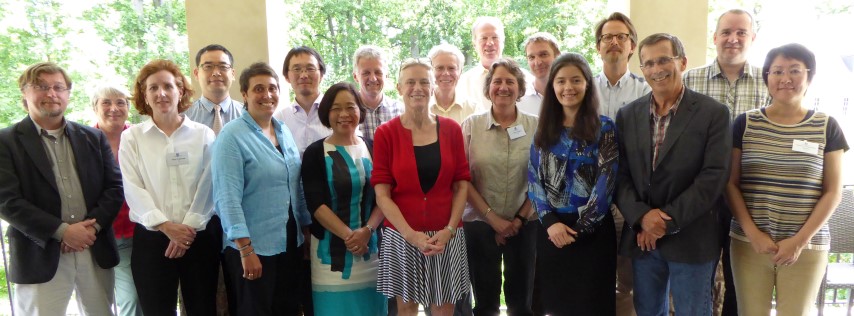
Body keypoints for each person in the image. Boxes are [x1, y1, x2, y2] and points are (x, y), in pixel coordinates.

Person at [725, 43, 848, 316]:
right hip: (749, 244)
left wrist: (799, 241)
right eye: (777, 71)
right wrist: (753, 234)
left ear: (809, 76)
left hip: (807, 246)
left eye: (795, 70)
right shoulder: (745, 124)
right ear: (767, 76)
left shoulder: (827, 126)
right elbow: (730, 184)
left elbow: (833, 192)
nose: (785, 79)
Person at [616, 33, 731, 316]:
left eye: (664, 60)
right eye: (649, 63)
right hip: (644, 239)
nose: (657, 69)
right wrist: (643, 217)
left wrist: (664, 222)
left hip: (691, 238)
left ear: (682, 62)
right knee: (647, 311)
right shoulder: (627, 115)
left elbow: (713, 177)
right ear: (642, 70)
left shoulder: (714, 113)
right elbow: (619, 175)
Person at [0, 62, 122, 315]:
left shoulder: (93, 137)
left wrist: (91, 229)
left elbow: (114, 189)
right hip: (39, 252)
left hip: (93, 249)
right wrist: (62, 231)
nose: (51, 94)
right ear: (25, 93)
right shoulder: (6, 141)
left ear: (68, 93)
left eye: (58, 87)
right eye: (41, 87)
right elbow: (7, 200)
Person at [683, 10, 770, 315]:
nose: (733, 39)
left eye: (741, 32)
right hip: (701, 196)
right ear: (715, 37)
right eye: (726, 32)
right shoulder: (689, 80)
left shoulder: (770, 81)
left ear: (752, 38)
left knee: (740, 278)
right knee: (698, 273)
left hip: (751, 196)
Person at [372, 58, 471, 316]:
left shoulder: (451, 129)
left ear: (432, 87)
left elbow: (462, 185)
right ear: (399, 87)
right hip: (402, 235)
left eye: (424, 82)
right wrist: (411, 235)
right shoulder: (386, 133)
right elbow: (382, 195)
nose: (418, 88)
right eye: (411, 82)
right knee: (406, 309)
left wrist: (449, 229)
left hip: (445, 236)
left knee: (443, 308)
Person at [212, 62, 311, 316]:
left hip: (289, 241)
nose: (267, 95)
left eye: (272, 88)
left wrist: (306, 233)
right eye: (258, 89)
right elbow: (227, 199)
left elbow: (295, 186)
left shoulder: (283, 130)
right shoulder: (232, 136)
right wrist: (246, 249)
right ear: (244, 94)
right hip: (253, 247)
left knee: (287, 309)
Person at [120, 59, 218, 315]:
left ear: (181, 91)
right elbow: (133, 187)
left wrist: (187, 230)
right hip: (152, 240)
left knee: (202, 309)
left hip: (197, 237)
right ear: (145, 94)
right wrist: (165, 226)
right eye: (153, 88)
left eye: (168, 86)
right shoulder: (132, 138)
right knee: (156, 310)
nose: (161, 93)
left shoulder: (203, 134)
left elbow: (209, 185)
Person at [527, 53, 618, 315]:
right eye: (561, 81)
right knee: (556, 305)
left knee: (593, 306)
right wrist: (551, 223)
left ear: (587, 84)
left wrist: (579, 228)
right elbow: (534, 180)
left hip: (593, 235)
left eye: (576, 80)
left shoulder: (605, 128)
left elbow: (606, 181)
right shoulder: (543, 129)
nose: (568, 88)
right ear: (552, 86)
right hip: (551, 232)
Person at [301, 82, 388, 316]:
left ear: (360, 110)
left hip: (371, 251)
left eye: (350, 107)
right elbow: (316, 204)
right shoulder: (315, 152)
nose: (343, 114)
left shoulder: (373, 147)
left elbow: (384, 196)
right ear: (326, 113)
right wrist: (350, 236)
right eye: (336, 108)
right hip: (330, 256)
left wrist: (367, 231)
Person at [462, 58, 538, 316]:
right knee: (485, 303)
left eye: (510, 81)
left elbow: (542, 179)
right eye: (497, 81)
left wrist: (517, 220)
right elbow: (462, 179)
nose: (503, 87)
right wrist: (492, 218)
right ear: (488, 88)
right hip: (479, 225)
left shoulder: (535, 126)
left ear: (520, 88)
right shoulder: (471, 126)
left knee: (522, 303)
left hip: (526, 224)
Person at [592, 12, 650, 316]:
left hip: (630, 196)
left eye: (621, 36)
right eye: (607, 37)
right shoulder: (582, 89)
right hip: (589, 197)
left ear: (632, 46)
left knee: (628, 277)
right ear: (598, 47)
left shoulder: (646, 91)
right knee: (593, 276)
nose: (614, 42)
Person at [185, 43, 243, 315]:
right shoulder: (183, 118)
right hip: (199, 219)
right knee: (201, 293)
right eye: (209, 66)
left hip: (241, 217)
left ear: (232, 73)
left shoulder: (249, 115)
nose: (216, 73)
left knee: (240, 291)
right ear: (197, 73)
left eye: (223, 67)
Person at [91, 84, 143, 316]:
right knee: (99, 301)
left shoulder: (140, 137)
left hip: (138, 231)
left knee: (135, 297)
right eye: (106, 102)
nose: (114, 108)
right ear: (95, 107)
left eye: (121, 102)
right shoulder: (83, 141)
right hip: (98, 234)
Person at [457, 16, 534, 113]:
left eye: (495, 37)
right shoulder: (463, 84)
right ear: (474, 44)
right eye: (484, 38)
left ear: (503, 41)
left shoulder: (526, 79)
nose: (489, 43)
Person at [274, 46, 331, 156]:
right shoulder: (279, 120)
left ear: (322, 74)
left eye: (310, 69)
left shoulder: (335, 113)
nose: (304, 75)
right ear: (287, 76)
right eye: (297, 69)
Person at [353, 45, 403, 142]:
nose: (373, 78)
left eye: (378, 72)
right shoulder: (348, 112)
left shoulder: (400, 111)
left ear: (386, 76)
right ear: (355, 77)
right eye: (366, 73)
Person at [428, 43, 476, 124]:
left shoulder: (472, 110)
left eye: (451, 68)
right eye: (440, 68)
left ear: (460, 72)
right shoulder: (420, 107)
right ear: (430, 71)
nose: (446, 73)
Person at [518, 32, 561, 115]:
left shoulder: (570, 94)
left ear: (558, 56)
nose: (537, 62)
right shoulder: (519, 100)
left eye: (543, 55)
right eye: (531, 57)